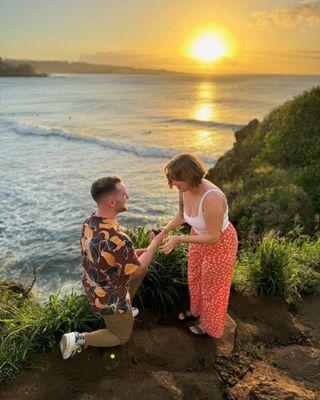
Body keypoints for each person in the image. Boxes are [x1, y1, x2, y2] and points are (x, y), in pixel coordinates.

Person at [60, 176, 165, 359]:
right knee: (121, 336)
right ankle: (78, 339)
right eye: (124, 194)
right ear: (111, 201)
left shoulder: (90, 222)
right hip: (109, 299)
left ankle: (125, 309)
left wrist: (142, 250)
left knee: (140, 268)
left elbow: (113, 254)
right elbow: (137, 269)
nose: (128, 197)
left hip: (93, 286)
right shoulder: (119, 239)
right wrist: (155, 243)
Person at [160, 154, 238, 338]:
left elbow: (213, 237)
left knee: (214, 286)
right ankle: (196, 312)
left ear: (189, 176)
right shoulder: (184, 189)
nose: (173, 184)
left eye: (176, 180)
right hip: (197, 236)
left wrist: (178, 239)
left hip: (220, 243)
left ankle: (210, 327)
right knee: (194, 277)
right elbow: (181, 215)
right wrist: (165, 230)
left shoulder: (212, 198)